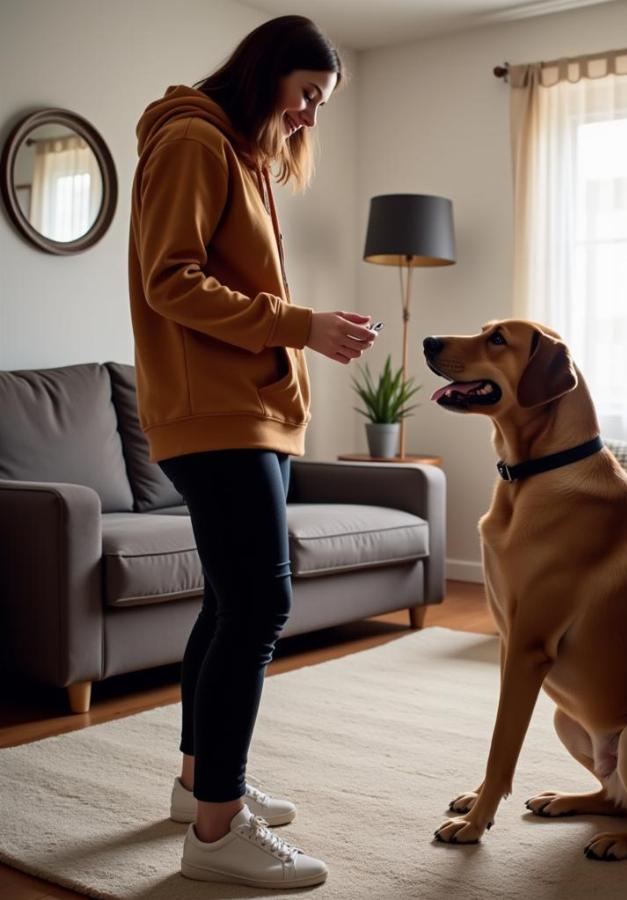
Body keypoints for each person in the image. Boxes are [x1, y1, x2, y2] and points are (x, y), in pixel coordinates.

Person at [127, 15, 376, 890]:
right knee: (260, 607)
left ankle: (201, 783)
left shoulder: (240, 151)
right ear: (269, 72)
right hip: (217, 415)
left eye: (321, 102)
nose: (310, 115)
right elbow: (172, 280)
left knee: (231, 604)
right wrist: (302, 328)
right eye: (307, 94)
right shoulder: (194, 140)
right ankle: (216, 833)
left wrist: (299, 343)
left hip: (249, 411)